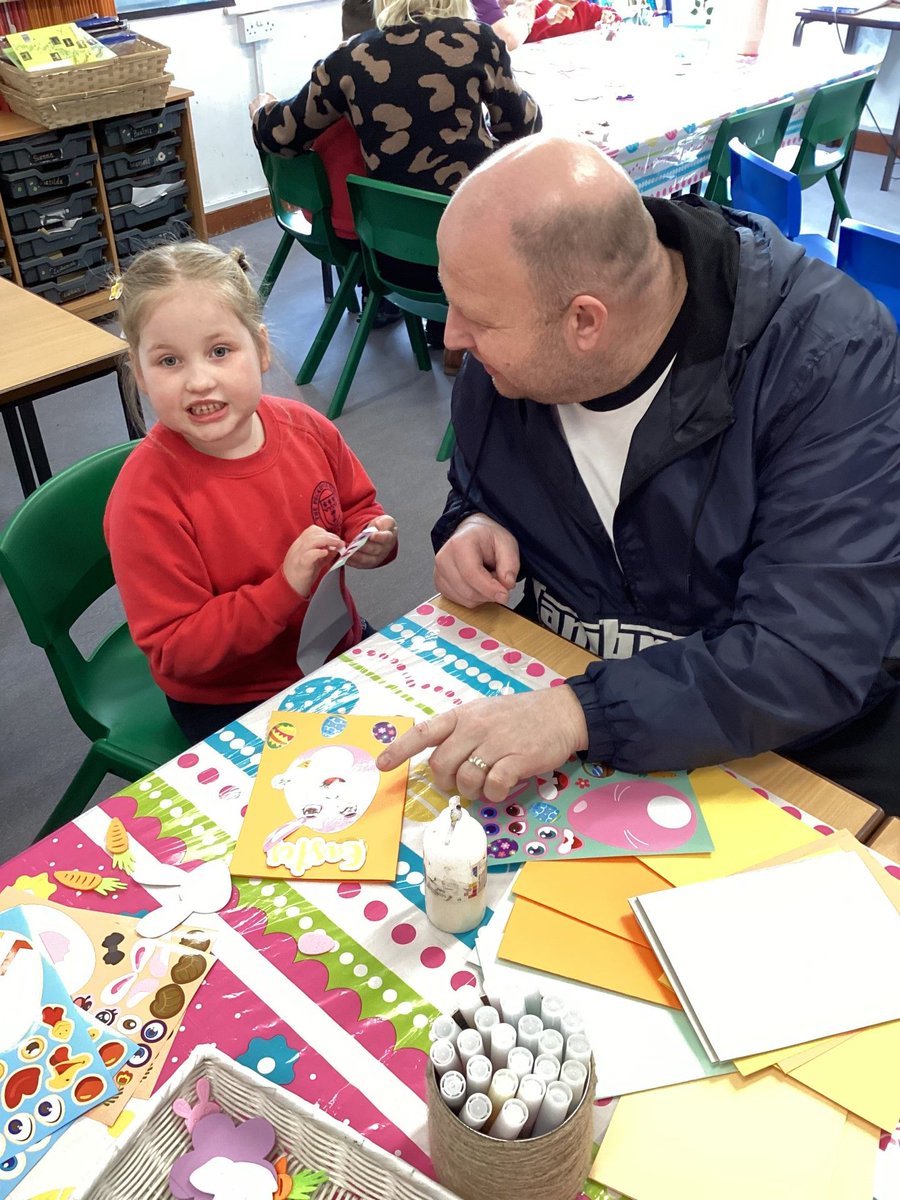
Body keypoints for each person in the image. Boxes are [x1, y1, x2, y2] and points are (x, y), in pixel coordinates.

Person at [375, 135, 900, 814]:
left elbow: (805, 654)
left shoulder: (828, 361)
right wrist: (469, 523)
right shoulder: (504, 363)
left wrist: (577, 715)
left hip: (790, 756)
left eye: (477, 319)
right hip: (575, 723)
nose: (452, 339)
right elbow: (479, 488)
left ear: (584, 322)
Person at [104, 242, 398, 744]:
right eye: (169, 361)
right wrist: (283, 589)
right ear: (141, 376)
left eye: (220, 351)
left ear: (260, 349)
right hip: (232, 698)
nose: (199, 380)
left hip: (334, 646)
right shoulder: (144, 498)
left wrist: (372, 537)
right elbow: (178, 649)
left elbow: (356, 507)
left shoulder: (307, 429)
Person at [249, 0, 541, 370]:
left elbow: (281, 136)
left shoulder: (349, 57)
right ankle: (457, 336)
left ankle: (442, 330)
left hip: (391, 261)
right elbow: (523, 128)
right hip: (473, 259)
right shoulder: (478, 40)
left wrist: (261, 108)